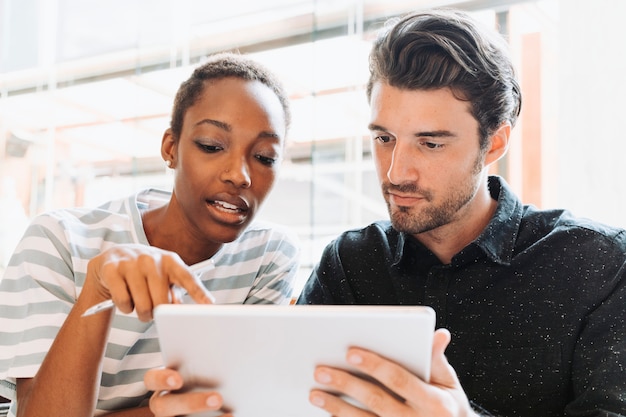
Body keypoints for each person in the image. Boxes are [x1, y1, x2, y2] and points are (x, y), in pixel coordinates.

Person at [142, 7, 626, 417]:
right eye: (383, 138)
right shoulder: (351, 263)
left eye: (430, 143)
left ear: (494, 141)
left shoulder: (599, 265)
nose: (396, 172)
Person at [0, 52, 300, 417]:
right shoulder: (58, 239)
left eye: (265, 157)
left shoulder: (268, 255)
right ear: (171, 148)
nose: (239, 175)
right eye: (211, 146)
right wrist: (97, 287)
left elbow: (232, 407)